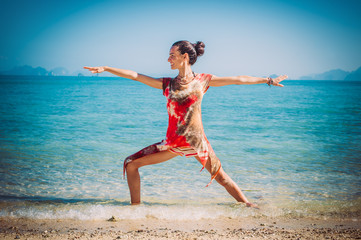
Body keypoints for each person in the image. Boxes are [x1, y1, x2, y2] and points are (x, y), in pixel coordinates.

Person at [84, 40, 287, 208]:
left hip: (197, 142)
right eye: (169, 55)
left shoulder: (203, 80)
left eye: (172, 55)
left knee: (222, 178)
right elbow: (136, 76)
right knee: (131, 164)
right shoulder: (167, 84)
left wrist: (267, 80)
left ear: (185, 57)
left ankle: (248, 205)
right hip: (173, 144)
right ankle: (135, 209)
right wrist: (107, 68)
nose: (168, 59)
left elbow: (238, 79)